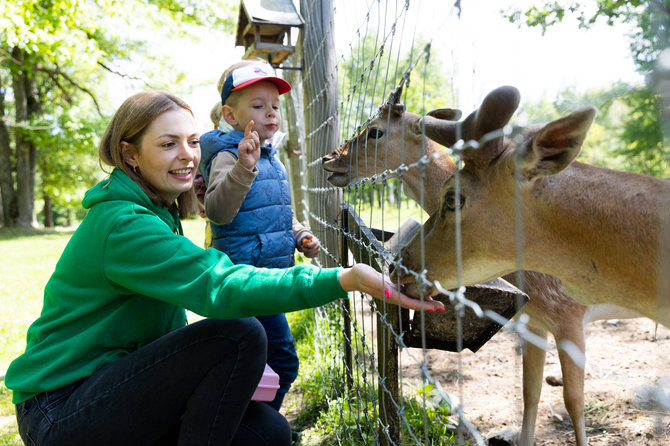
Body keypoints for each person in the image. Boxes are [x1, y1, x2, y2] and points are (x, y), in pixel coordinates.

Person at [5, 90, 444, 446]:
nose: (187, 155)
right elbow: (218, 283)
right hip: (61, 410)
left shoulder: (157, 213)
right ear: (130, 155)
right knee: (239, 335)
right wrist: (344, 278)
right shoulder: (122, 225)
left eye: (193, 142)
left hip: (107, 386)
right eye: (167, 143)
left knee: (269, 433)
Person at [198, 61, 317, 413]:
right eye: (258, 105)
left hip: (265, 279)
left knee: (254, 363)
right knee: (282, 362)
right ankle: (257, 428)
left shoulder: (270, 159)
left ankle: (245, 424)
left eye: (275, 106)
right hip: (244, 281)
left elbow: (276, 211)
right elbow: (218, 211)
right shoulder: (228, 155)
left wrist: (300, 234)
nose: (270, 113)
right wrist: (242, 167)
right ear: (230, 116)